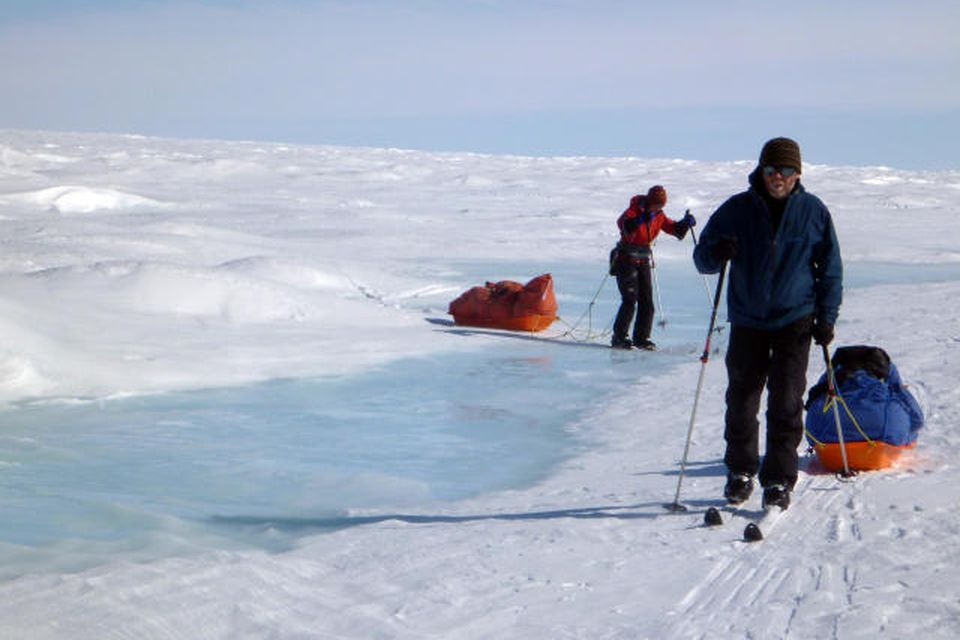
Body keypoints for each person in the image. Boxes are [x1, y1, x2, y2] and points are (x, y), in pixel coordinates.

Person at [692, 137, 842, 510]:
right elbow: (702, 260)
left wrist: (826, 318)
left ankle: (778, 479)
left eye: (787, 170)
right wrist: (716, 252)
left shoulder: (814, 212)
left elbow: (832, 271)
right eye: (772, 169)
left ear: (798, 174)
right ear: (761, 170)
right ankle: (740, 472)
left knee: (786, 401)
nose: (779, 176)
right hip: (748, 319)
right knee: (742, 400)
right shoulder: (736, 210)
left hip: (795, 318)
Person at [611, 185, 695, 350]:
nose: (659, 208)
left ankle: (642, 338)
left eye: (661, 205)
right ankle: (619, 337)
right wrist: (639, 220)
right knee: (630, 299)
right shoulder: (633, 210)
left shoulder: (659, 215)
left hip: (643, 260)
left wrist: (685, 223)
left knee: (647, 302)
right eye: (657, 204)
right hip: (626, 259)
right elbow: (623, 225)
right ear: (650, 201)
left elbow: (674, 230)